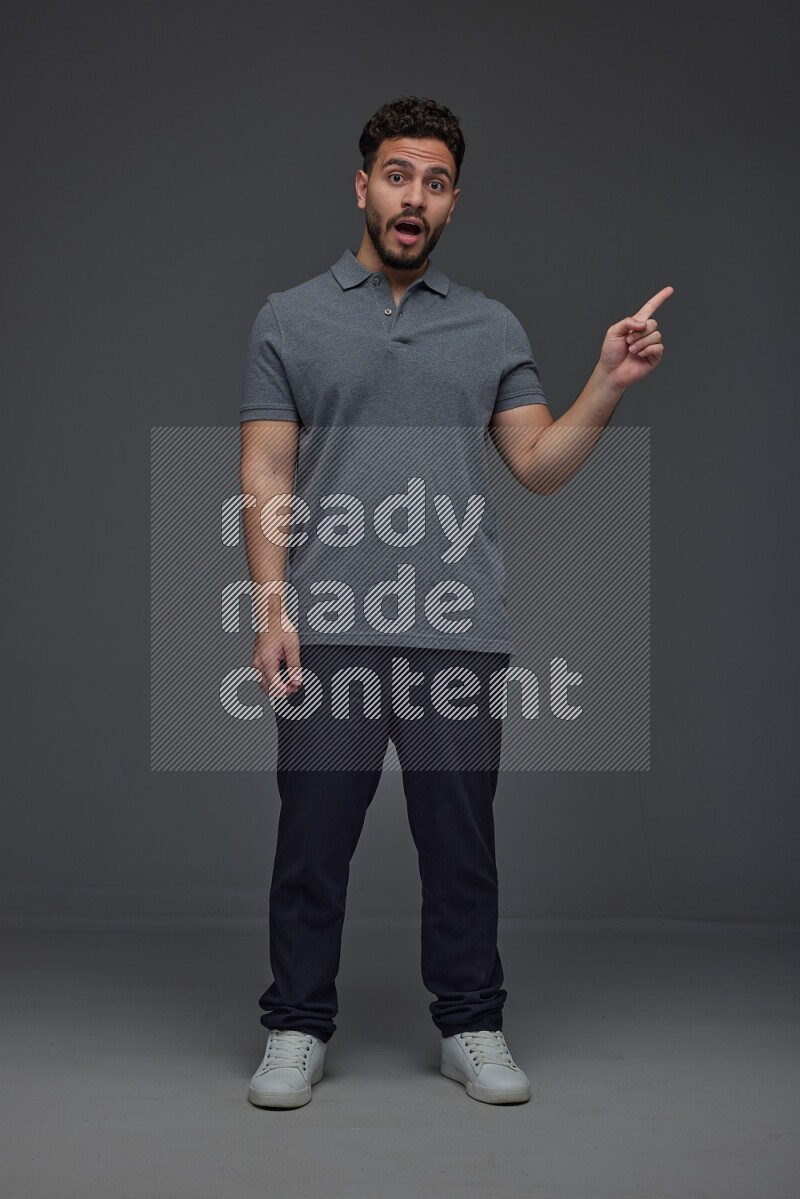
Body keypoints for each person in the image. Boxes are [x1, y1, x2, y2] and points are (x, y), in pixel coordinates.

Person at [239, 95, 672, 1109]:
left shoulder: (490, 327)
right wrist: (271, 607)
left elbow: (537, 462)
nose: (413, 197)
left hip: (455, 633)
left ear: (450, 202)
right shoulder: (288, 317)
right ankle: (294, 1026)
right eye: (397, 174)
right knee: (308, 842)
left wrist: (603, 382)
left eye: (434, 182)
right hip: (331, 629)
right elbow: (265, 472)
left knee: (458, 843)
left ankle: (469, 1020)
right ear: (362, 186)